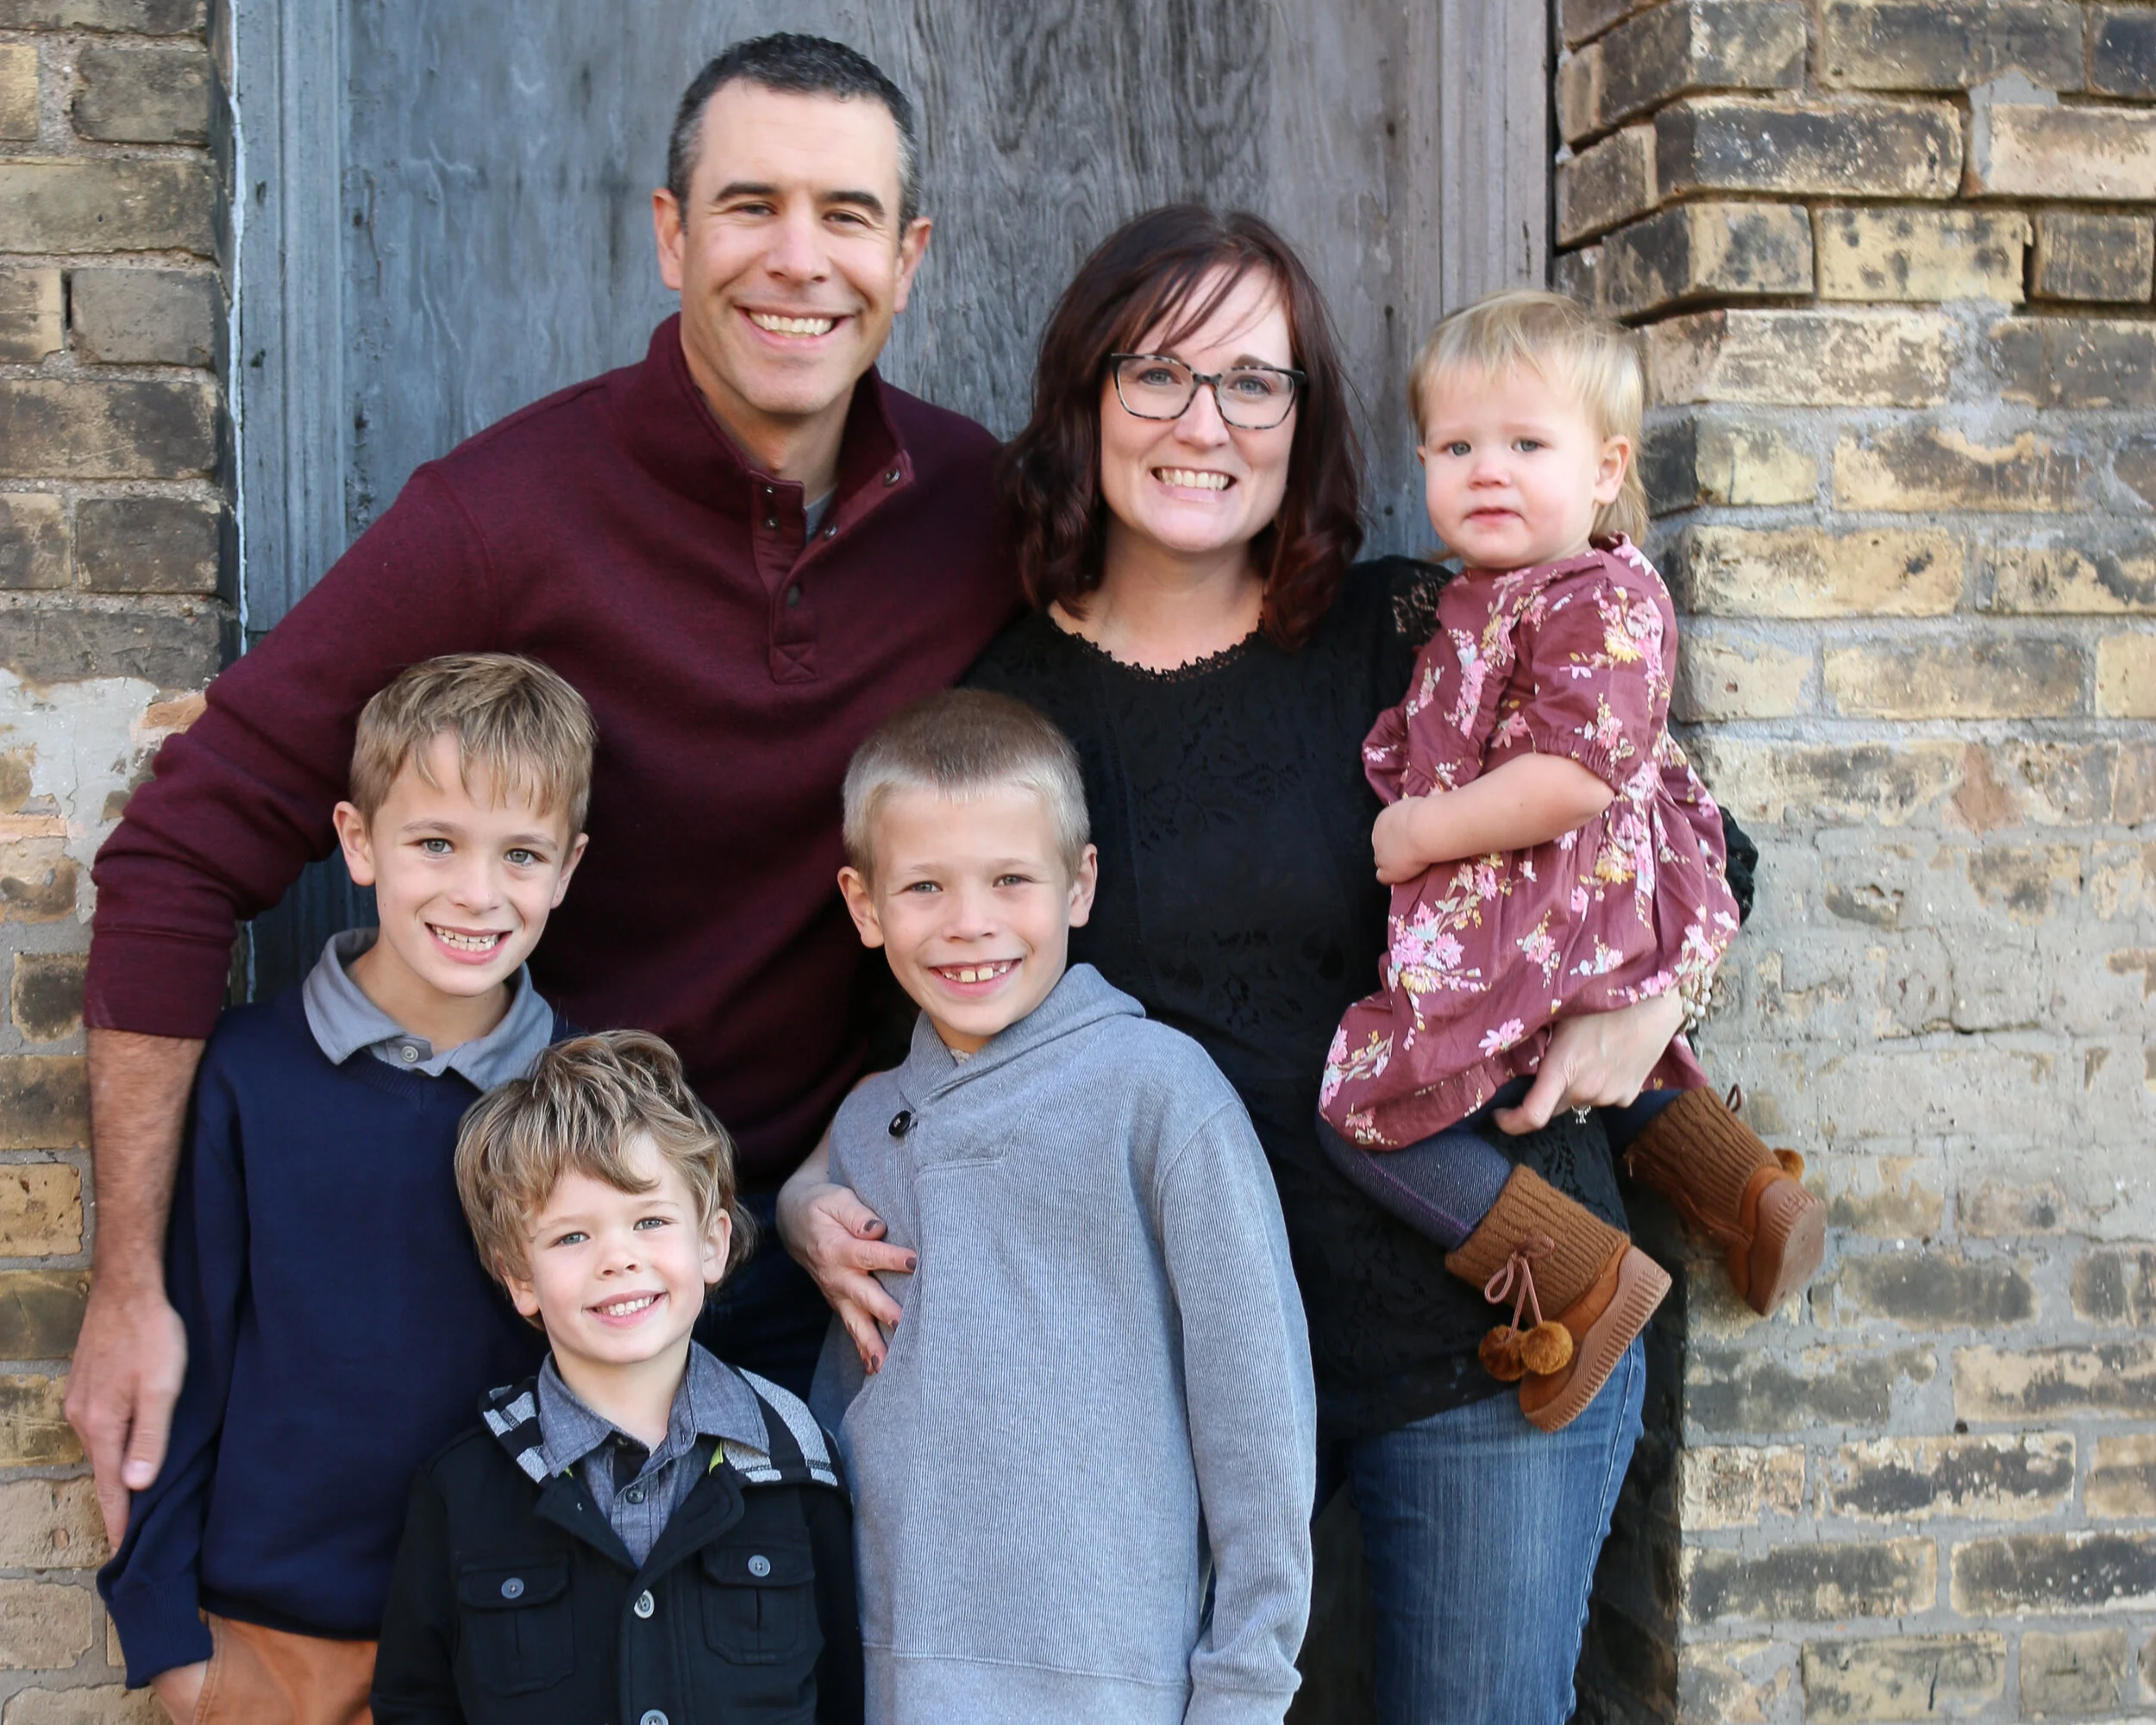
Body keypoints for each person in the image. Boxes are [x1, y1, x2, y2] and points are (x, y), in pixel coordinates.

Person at [781, 207, 1758, 1725]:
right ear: (1085, 401)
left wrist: (1650, 1004)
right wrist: (803, 1201)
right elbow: (906, 1030)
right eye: (1156, 374)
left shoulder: (1418, 625)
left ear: (1303, 420)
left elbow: (1691, 828)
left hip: (1493, 1334)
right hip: (1164, 1386)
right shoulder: (1004, 709)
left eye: (1255, 383)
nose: (1204, 423)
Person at [70, 31, 1020, 1548]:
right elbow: (179, 853)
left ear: (908, 260)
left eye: (844, 216)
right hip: (541, 1274)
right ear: (670, 234)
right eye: (747, 206)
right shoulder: (502, 517)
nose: (797, 259)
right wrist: (129, 1289)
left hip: (842, 1264)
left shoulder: (984, 513)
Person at [1313, 290, 1823, 1434]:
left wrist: (1416, 834)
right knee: (1582, 1039)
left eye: (1525, 445)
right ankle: (1740, 1194)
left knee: (1361, 1106)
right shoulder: (1510, 591)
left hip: (1545, 896)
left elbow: (1572, 777)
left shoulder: (1598, 596)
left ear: (1606, 469)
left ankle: (1582, 1280)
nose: (1486, 470)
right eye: (1455, 447)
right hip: (1583, 909)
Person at [97, 654, 594, 1725]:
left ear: (567, 869)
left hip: (514, 1635)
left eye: (521, 853)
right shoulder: (247, 1073)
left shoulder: (591, 1095)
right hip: (274, 1643)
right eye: (435, 844)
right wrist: (167, 1635)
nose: (477, 891)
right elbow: (183, 1348)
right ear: (359, 842)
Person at [809, 690, 1315, 1725]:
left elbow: (1258, 1421)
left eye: (1009, 879)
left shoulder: (1159, 1096)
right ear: (863, 905)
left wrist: (1243, 1691)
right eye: (923, 886)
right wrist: (793, 1207)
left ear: (1078, 884)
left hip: (1112, 1686)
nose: (969, 922)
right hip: (894, 1680)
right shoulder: (865, 1126)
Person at [373, 1031, 862, 1725]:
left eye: (651, 1220)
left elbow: (844, 1693)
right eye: (573, 1236)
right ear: (519, 1277)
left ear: (713, 1243)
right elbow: (414, 1703)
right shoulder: (463, 1486)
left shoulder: (798, 1462)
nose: (618, 1259)